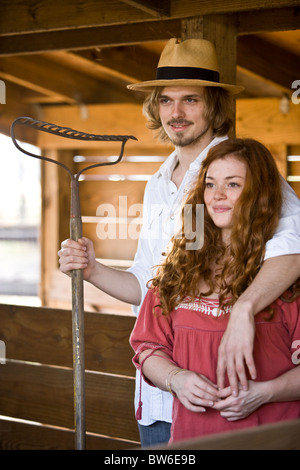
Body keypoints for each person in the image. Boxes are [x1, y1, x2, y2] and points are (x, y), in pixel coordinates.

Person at [58, 38, 300, 446]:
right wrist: (93, 270)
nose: (177, 113)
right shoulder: (158, 181)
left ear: (215, 106)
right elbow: (148, 281)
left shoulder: (243, 168)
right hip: (161, 394)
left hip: (233, 402)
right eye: (166, 101)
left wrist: (243, 309)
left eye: (190, 100)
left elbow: (292, 248)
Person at [130, 138, 300, 444]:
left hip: (275, 439)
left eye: (233, 185)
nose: (217, 195)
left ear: (259, 194)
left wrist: (265, 393)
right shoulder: (178, 269)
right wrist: (175, 379)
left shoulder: (285, 274)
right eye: (210, 184)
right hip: (191, 442)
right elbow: (147, 349)